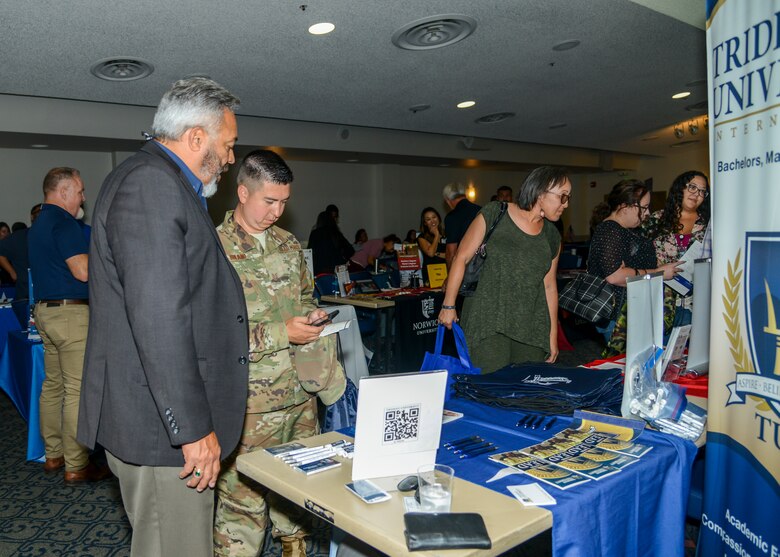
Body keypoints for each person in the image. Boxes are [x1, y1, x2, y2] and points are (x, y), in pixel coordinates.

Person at [78, 77, 248, 557]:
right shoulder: (151, 186)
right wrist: (192, 430)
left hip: (156, 423)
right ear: (196, 138)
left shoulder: (158, 182)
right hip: (161, 432)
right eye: (228, 144)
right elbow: (159, 321)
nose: (231, 158)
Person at [214, 150, 346, 557]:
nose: (277, 211)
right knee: (244, 502)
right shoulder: (212, 249)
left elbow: (304, 296)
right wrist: (281, 332)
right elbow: (212, 334)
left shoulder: (289, 243)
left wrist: (312, 315)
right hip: (249, 401)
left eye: (284, 202)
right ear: (242, 192)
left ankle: (295, 545)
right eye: (269, 201)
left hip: (299, 392)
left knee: (298, 485)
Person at [438, 167, 570, 373]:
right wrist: (448, 305)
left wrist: (552, 335)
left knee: (527, 391)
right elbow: (461, 257)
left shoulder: (552, 236)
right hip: (489, 319)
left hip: (532, 326)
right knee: (491, 389)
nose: (566, 204)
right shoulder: (495, 213)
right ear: (541, 192)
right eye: (562, 197)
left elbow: (550, 286)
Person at [28, 168, 107, 483]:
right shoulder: (65, 223)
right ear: (62, 192)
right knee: (76, 390)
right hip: (71, 315)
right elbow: (83, 272)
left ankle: (54, 454)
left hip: (45, 313)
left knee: (53, 387)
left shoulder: (38, 225)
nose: (83, 198)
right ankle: (77, 465)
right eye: (80, 191)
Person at [588, 179, 682, 355]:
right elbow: (615, 277)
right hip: (618, 316)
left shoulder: (627, 230)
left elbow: (628, 270)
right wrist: (660, 272)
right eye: (644, 207)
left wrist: (633, 270)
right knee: (624, 368)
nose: (647, 213)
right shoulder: (610, 231)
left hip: (630, 311)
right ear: (625, 206)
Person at [642, 171, 710, 331]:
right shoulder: (656, 219)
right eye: (692, 187)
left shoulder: (709, 225)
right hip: (659, 300)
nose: (697, 194)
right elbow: (639, 253)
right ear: (680, 188)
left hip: (695, 301)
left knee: (689, 352)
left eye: (702, 191)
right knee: (658, 350)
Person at [0, 204, 42, 326]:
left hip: (50, 298)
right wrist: (12, 272)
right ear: (31, 217)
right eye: (37, 213)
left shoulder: (55, 235)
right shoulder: (20, 237)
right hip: (26, 297)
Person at [442, 182, 481, 268]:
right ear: (465, 195)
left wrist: (450, 276)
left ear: (448, 200)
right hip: (484, 264)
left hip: (466, 267)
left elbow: (451, 252)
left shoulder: (452, 217)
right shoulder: (481, 210)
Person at [308, 210, 354, 275]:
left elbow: (309, 253)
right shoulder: (336, 233)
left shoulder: (315, 233)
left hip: (320, 271)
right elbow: (350, 250)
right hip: (336, 270)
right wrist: (342, 258)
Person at [416, 207, 446, 278]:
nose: (432, 221)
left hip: (446, 272)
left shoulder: (447, 234)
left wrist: (437, 253)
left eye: (434, 217)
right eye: (428, 219)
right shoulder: (422, 237)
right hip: (431, 274)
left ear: (438, 218)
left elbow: (451, 255)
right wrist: (436, 235)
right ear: (425, 223)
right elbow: (431, 254)